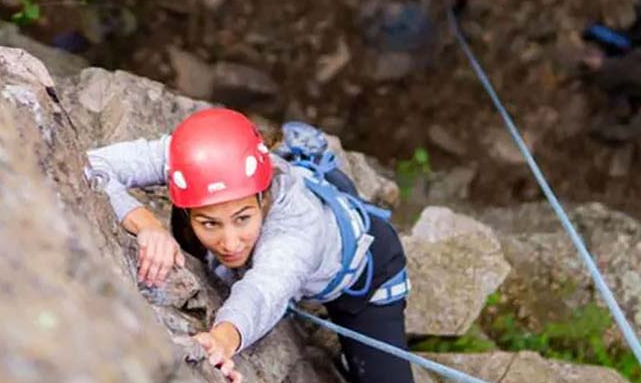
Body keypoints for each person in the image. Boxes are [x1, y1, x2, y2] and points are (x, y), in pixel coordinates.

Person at [85, 109, 413, 383]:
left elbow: (263, 292)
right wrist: (147, 225)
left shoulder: (295, 231)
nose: (229, 244)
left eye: (242, 218)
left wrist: (222, 340)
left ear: (262, 195)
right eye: (209, 223)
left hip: (368, 277)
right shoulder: (194, 158)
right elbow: (93, 164)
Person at [582, 48, 641, 142]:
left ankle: (608, 129)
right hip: (616, 86)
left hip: (617, 73)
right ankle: (603, 131)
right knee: (623, 111)